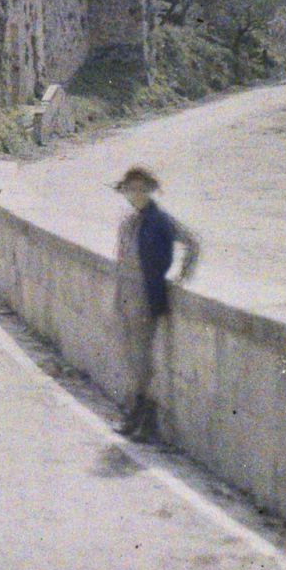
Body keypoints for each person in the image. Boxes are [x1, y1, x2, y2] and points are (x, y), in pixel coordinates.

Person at [111, 165, 199, 440]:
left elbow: (193, 244)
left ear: (150, 190)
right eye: (130, 189)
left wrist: (181, 277)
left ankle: (146, 420)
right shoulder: (127, 222)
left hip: (147, 295)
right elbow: (122, 261)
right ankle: (136, 416)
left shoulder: (160, 220)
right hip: (127, 293)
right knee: (131, 357)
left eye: (141, 189)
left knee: (142, 359)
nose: (135, 194)